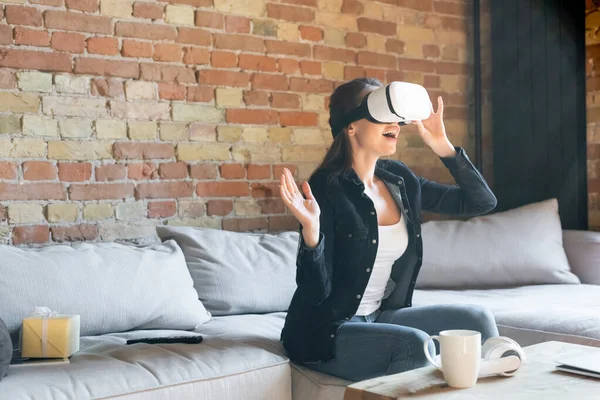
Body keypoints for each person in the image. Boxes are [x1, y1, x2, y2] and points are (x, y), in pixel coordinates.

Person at [278, 78, 500, 382]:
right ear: (350, 126)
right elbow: (314, 293)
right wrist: (311, 234)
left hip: (380, 316)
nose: (395, 121)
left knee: (477, 319)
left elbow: (481, 201)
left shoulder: (399, 180)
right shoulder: (325, 188)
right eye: (380, 110)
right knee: (413, 344)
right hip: (326, 329)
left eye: (395, 114)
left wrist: (443, 147)